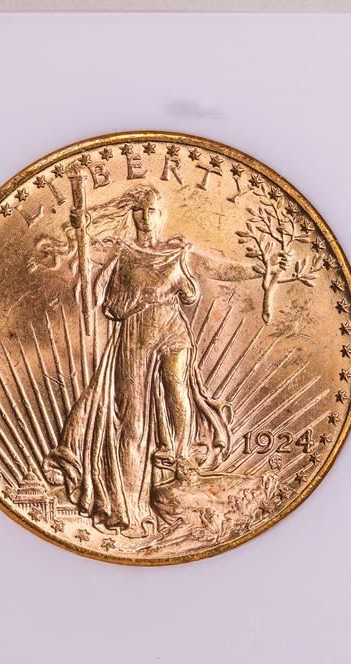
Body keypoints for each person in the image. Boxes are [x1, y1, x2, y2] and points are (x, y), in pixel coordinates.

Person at [43, 185, 238, 537]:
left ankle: (179, 455)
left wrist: (262, 269)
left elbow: (206, 278)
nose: (144, 218)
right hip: (135, 337)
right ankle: (128, 505)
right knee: (131, 422)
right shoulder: (122, 252)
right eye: (139, 211)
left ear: (160, 215)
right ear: (132, 215)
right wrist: (81, 225)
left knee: (177, 387)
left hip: (173, 331)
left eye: (151, 211)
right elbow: (89, 256)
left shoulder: (176, 253)